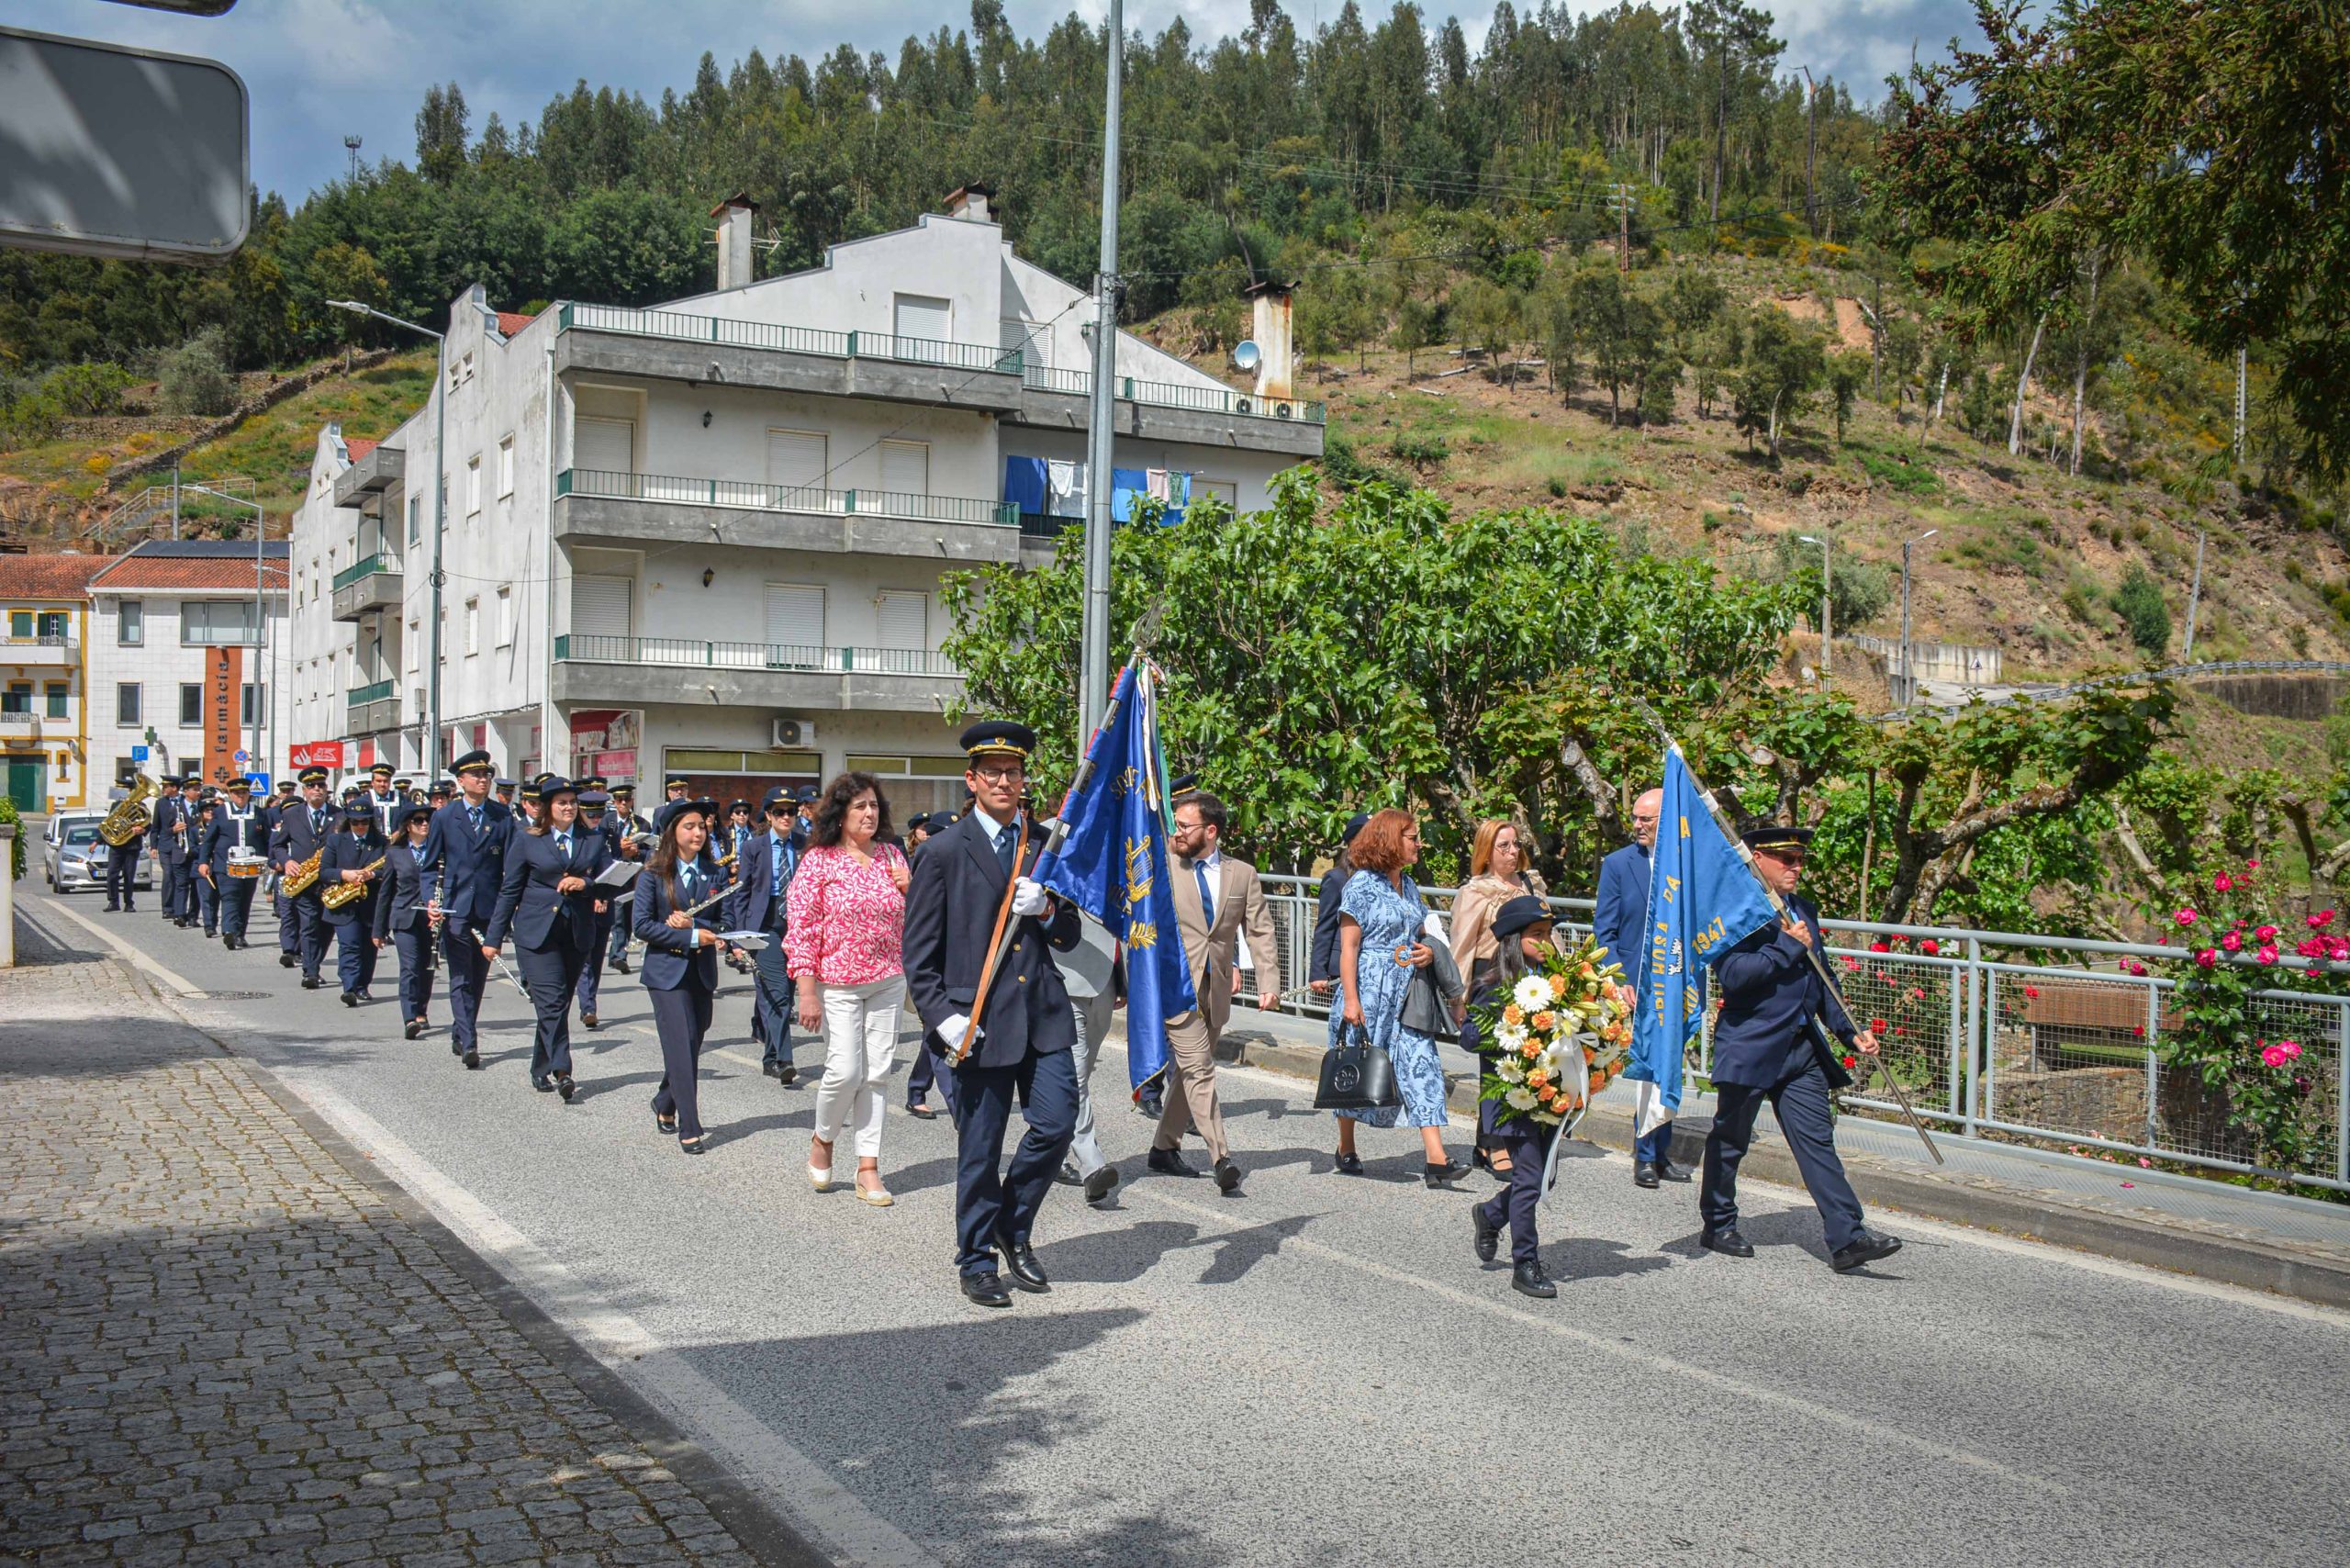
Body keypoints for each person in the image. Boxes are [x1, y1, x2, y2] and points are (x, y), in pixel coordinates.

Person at [901, 721, 1083, 1309]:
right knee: (980, 1148)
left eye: (1015, 772)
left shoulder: (1042, 846)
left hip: (1041, 1014)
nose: (1006, 781)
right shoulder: (942, 851)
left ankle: (1011, 1222)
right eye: (994, 773)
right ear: (971, 780)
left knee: (1057, 1124)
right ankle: (977, 1258)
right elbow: (918, 953)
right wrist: (939, 1017)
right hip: (974, 1019)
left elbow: (1070, 933)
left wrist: (1049, 908)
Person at [1700, 825, 1903, 1273]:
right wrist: (1787, 946)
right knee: (1730, 1141)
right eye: (1786, 859)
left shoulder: (1802, 910)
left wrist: (1850, 1032)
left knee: (1817, 1145)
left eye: (1799, 859)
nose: (1795, 867)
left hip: (1800, 1050)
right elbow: (1732, 975)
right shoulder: (1735, 910)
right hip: (1751, 1045)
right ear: (1756, 859)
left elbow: (1823, 979)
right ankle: (1718, 1223)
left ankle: (1848, 1238)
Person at [789, 770, 914, 1206]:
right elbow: (802, 929)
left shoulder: (893, 857)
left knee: (877, 1075)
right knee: (845, 1071)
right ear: (840, 814)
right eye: (859, 805)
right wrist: (807, 992)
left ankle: (868, 1167)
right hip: (836, 984)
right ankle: (823, 1139)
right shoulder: (819, 861)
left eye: (874, 805)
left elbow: (914, 920)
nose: (869, 812)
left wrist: (911, 890)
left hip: (887, 981)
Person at [1329, 808, 1468, 1186]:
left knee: (1423, 1066)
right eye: (1412, 837)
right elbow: (1348, 949)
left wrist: (1427, 950)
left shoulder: (1407, 884)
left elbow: (1423, 927)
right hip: (1370, 989)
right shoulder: (1360, 886)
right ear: (1391, 840)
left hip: (1408, 991)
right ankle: (1346, 1146)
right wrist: (1352, 1001)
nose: (1419, 843)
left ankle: (1436, 1160)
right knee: (1355, 1068)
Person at [1153, 790, 1279, 1193]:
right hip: (1175, 983)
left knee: (1190, 1072)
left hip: (1217, 987)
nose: (1177, 831)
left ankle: (1162, 1148)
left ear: (1211, 830)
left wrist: (1268, 983)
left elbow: (1259, 929)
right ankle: (1220, 1157)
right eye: (1174, 823)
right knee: (1201, 1070)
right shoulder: (1161, 864)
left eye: (1184, 825)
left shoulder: (1241, 874)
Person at [486, 777, 610, 1101]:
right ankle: (562, 1069)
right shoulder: (528, 840)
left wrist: (586, 884)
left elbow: (611, 881)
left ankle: (540, 1066)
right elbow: (510, 889)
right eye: (561, 803)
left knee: (557, 1004)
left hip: (576, 933)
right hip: (536, 934)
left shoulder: (593, 840)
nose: (568, 808)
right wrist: (493, 937)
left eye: (572, 802)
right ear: (547, 809)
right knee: (552, 1002)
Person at [1469, 894, 1568, 1298]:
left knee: (1543, 1178)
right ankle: (1525, 1262)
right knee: (1528, 1177)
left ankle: (1491, 1214)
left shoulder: (1559, 982)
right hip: (1513, 1098)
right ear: (1513, 940)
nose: (1546, 943)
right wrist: (1512, 1028)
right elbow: (1470, 1037)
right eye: (1536, 935)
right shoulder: (1492, 986)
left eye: (1549, 934)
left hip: (1549, 1095)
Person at [1595, 788, 1690, 1188]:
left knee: (1669, 1067)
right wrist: (1620, 980)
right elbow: (1606, 932)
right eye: (1635, 817)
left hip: (1676, 983)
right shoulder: (1618, 865)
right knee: (1647, 1069)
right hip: (1637, 985)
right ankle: (1646, 1155)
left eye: (1646, 819)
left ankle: (1662, 1152)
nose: (1636, 825)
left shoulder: (1686, 866)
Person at [1448, 817, 1551, 1178]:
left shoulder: (1531, 884)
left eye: (1515, 844)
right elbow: (1461, 946)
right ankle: (1494, 1145)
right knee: (1494, 1065)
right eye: (1502, 846)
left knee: (1520, 1066)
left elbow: (1543, 933)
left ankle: (1493, 1138)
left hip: (1528, 980)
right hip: (1490, 980)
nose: (1512, 852)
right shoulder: (1476, 891)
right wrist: (1458, 997)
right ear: (1486, 852)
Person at [635, 797, 733, 1155]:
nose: (697, 833)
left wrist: (700, 927)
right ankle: (689, 1126)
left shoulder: (714, 872)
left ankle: (665, 1100)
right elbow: (642, 926)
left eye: (701, 826)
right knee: (679, 1044)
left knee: (691, 1044)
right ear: (672, 833)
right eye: (689, 826)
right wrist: (687, 936)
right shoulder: (652, 873)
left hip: (701, 973)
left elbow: (727, 922)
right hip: (665, 973)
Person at [421, 750, 511, 1070]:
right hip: (455, 907)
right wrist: (431, 899)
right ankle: (470, 1039)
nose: (483, 780)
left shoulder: (502, 816)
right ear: (460, 782)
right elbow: (429, 866)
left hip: (489, 909)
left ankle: (461, 1031)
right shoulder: (445, 817)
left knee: (478, 975)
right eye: (476, 775)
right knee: (460, 975)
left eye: (487, 774)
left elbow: (511, 868)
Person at [729, 786, 805, 1086]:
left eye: (791, 811)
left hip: (798, 925)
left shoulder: (805, 844)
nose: (786, 817)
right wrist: (737, 938)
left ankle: (770, 1058)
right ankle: (785, 1060)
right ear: (769, 816)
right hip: (765, 924)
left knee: (784, 992)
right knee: (777, 992)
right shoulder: (754, 847)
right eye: (779, 812)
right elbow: (742, 893)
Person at [375, 801, 438, 1039]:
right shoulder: (395, 853)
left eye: (427, 820)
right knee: (410, 967)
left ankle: (422, 1009)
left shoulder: (438, 849)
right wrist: (379, 929)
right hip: (404, 917)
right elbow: (386, 892)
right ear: (408, 826)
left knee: (428, 966)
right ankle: (409, 1017)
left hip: (431, 917)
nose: (424, 824)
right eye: (418, 821)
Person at [270, 767, 336, 988]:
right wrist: (287, 861)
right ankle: (310, 972)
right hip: (304, 882)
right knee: (308, 925)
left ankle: (314, 963)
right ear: (304, 790)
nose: (317, 789)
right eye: (311, 786)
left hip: (330, 881)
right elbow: (278, 844)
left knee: (327, 928)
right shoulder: (291, 814)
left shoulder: (340, 815)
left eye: (321, 785)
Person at [321, 798, 387, 1007]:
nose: (360, 826)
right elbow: (324, 872)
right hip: (345, 905)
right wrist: (344, 874)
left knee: (369, 948)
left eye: (364, 822)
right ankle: (349, 987)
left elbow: (390, 870)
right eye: (355, 822)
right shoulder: (335, 841)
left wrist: (373, 874)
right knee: (349, 945)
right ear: (348, 821)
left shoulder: (382, 842)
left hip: (371, 905)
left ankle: (362, 986)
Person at [571, 789, 620, 1030]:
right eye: (590, 815)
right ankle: (587, 1006)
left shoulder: (609, 834)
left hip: (605, 905)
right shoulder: (576, 836)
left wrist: (606, 897)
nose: (595, 820)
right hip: (582, 903)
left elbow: (615, 869)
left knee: (597, 957)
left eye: (598, 815)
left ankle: (590, 1001)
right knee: (585, 958)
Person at [1308, 813, 1371, 1000]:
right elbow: (1325, 925)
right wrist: (1318, 971)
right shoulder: (1337, 878)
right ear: (1353, 841)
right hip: (1343, 963)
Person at [201, 776, 267, 948]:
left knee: (245, 900)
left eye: (244, 792)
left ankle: (240, 934)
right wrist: (204, 861)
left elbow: (267, 839)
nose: (240, 796)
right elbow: (209, 839)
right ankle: (229, 931)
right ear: (230, 794)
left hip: (251, 865)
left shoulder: (259, 812)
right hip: (227, 864)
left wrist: (270, 860)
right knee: (230, 897)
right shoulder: (221, 812)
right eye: (236, 793)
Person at [605, 781, 652, 973]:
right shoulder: (606, 821)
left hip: (633, 875)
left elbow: (650, 850)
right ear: (614, 802)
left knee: (628, 915)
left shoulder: (641, 823)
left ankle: (616, 955)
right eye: (619, 799)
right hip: (613, 873)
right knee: (617, 918)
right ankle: (619, 956)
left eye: (627, 799)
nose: (623, 803)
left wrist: (636, 852)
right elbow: (600, 847)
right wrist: (618, 849)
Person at [155, 775, 202, 927]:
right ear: (186, 792)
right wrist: (173, 829)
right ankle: (180, 915)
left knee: (196, 887)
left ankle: (193, 916)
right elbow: (165, 831)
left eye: (199, 789)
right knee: (181, 884)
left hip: (197, 853)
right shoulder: (175, 809)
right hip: (180, 852)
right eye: (195, 790)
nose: (198, 792)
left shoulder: (203, 807)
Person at [190, 790, 221, 936]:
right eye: (207, 810)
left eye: (213, 810)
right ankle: (209, 926)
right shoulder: (196, 830)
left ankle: (214, 922)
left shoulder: (220, 828)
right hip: (202, 868)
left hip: (218, 866)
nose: (210, 813)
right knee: (206, 897)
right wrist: (205, 849)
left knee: (216, 898)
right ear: (202, 813)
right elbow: (192, 848)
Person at [363, 761, 401, 834]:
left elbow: (407, 821)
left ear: (390, 782)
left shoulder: (401, 800)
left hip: (397, 843)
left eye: (385, 781)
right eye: (379, 781)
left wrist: (399, 832)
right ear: (372, 782)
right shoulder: (364, 801)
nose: (382, 784)